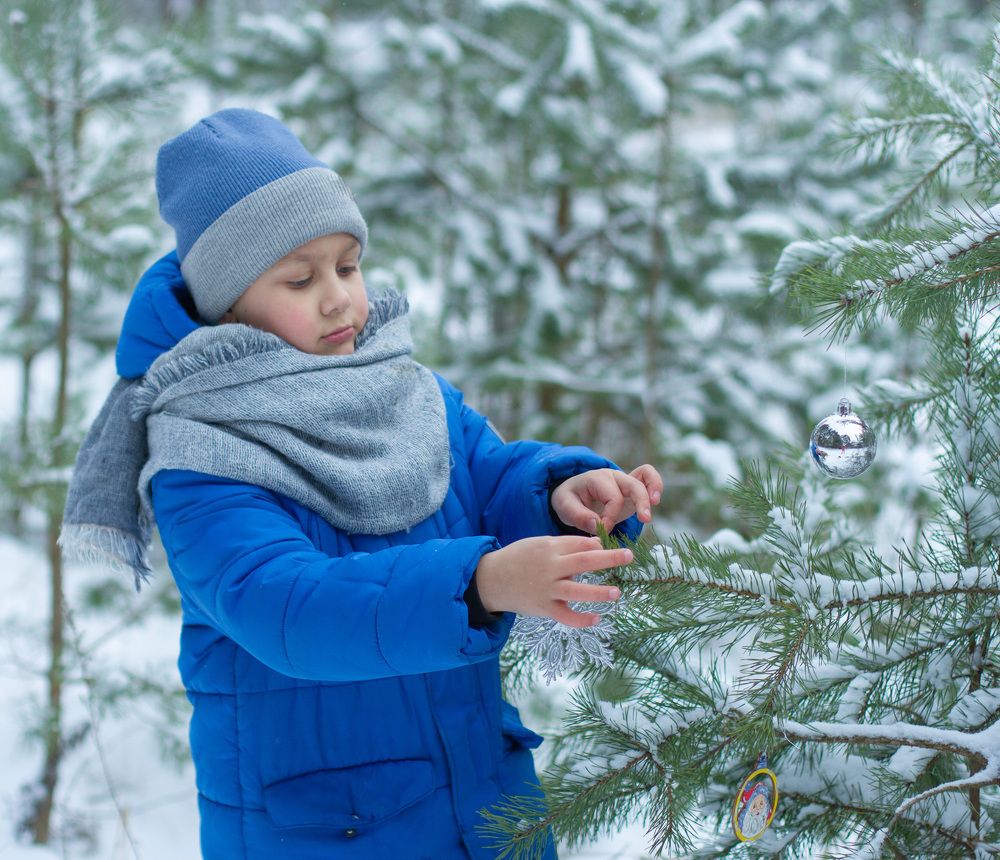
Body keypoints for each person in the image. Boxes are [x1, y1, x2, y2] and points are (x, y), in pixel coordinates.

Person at [61, 109, 663, 860]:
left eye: (347, 265)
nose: (339, 297)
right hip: (332, 832)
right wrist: (476, 584)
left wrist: (560, 496)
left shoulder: (403, 389)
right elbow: (286, 605)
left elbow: (483, 473)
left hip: (479, 799)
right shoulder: (202, 454)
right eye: (299, 278)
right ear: (226, 304)